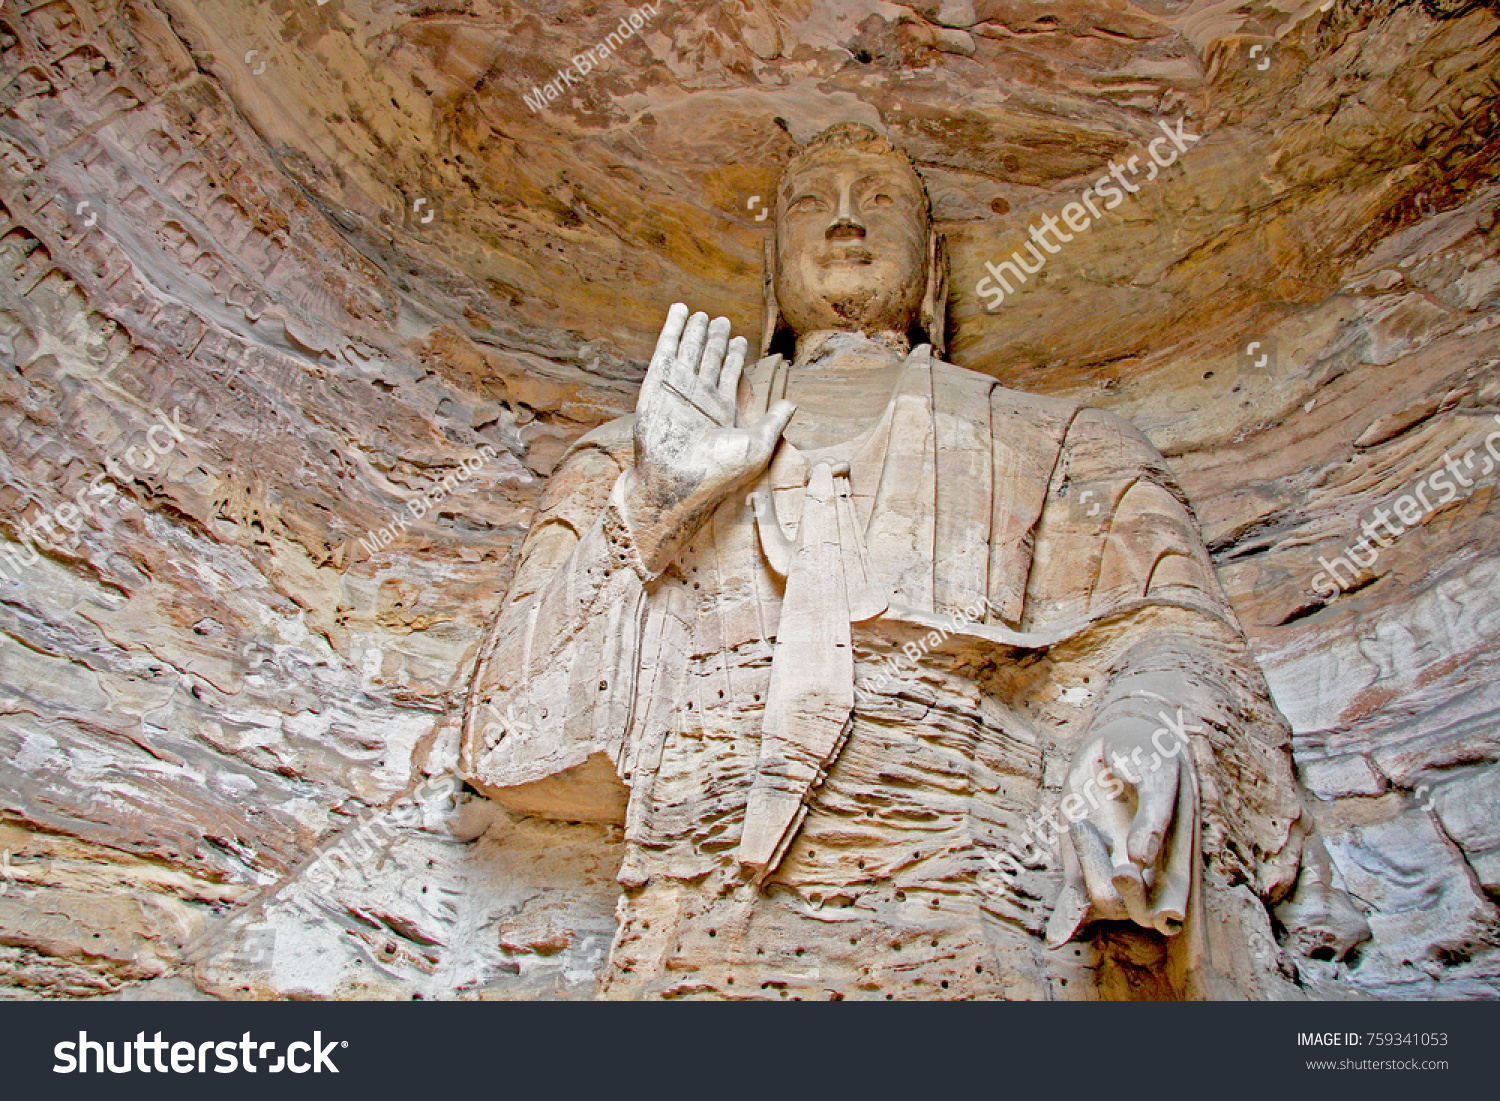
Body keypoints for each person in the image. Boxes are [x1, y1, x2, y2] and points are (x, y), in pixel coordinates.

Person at [460, 123, 1365, 999]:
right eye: (811, 203)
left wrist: (1140, 731)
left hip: (985, 929)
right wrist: (652, 511)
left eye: (879, 200)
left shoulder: (1058, 446)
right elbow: (506, 737)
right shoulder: (634, 452)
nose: (846, 221)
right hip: (690, 943)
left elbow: (1182, 643)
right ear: (769, 273)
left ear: (934, 273)